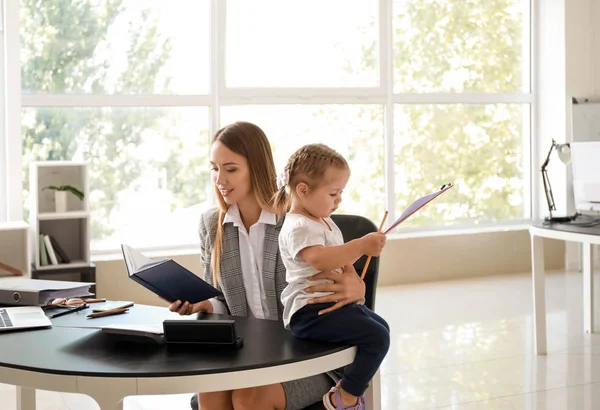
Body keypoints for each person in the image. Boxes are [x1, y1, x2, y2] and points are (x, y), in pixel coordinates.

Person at [169, 122, 367, 410]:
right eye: (215, 168)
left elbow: (342, 282)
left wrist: (355, 289)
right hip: (245, 354)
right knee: (209, 392)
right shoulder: (212, 226)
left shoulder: (299, 220)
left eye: (231, 168)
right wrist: (206, 305)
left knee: (250, 397)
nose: (220, 179)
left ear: (257, 167)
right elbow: (221, 300)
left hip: (305, 355)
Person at [273, 143, 390, 410]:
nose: (339, 201)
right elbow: (318, 258)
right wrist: (360, 246)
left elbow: (338, 260)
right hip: (310, 312)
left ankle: (348, 383)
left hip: (328, 305)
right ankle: (345, 396)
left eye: (341, 193)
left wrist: (353, 273)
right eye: (333, 193)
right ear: (303, 190)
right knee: (377, 337)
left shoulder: (322, 220)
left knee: (381, 328)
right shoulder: (299, 226)